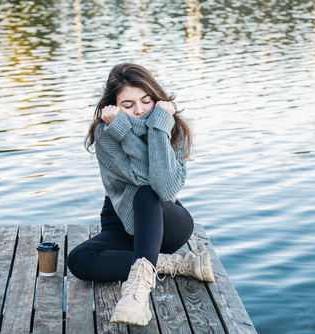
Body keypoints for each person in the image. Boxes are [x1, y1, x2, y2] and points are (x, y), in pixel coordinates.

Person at [67, 63, 214, 326]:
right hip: (121, 218)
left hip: (165, 219)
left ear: (156, 98)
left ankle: (136, 292)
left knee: (146, 193)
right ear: (113, 106)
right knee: (79, 260)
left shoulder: (173, 127)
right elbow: (138, 176)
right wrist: (121, 130)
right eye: (128, 104)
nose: (139, 110)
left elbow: (163, 188)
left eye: (146, 101)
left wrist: (158, 128)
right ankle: (172, 264)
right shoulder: (105, 133)